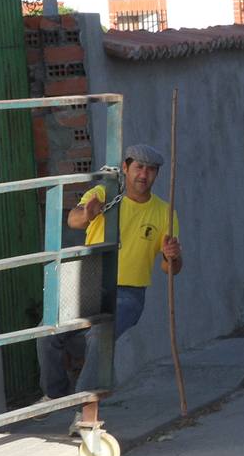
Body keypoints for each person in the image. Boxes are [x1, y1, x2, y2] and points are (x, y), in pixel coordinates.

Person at [38, 144, 184, 403]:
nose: (144, 175)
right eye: (139, 167)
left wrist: (172, 256)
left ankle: (84, 407)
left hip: (129, 293)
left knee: (100, 333)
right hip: (89, 282)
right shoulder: (104, 193)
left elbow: (170, 268)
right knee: (46, 331)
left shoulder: (164, 212)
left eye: (151, 170)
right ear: (126, 168)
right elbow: (74, 220)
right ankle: (55, 397)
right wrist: (87, 213)